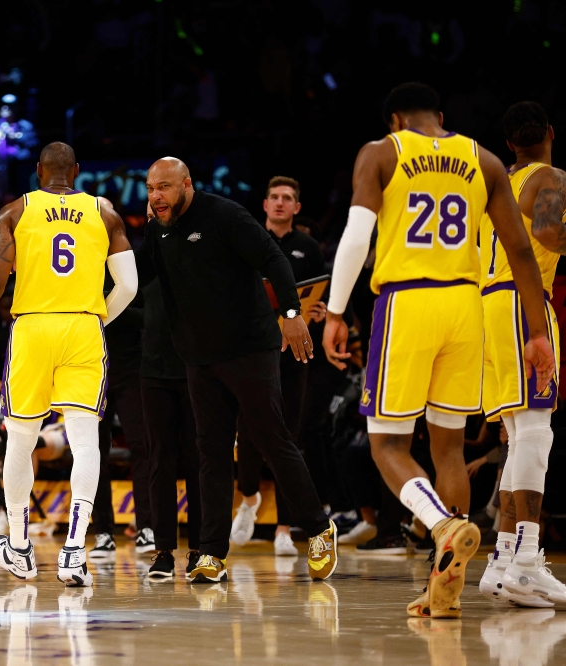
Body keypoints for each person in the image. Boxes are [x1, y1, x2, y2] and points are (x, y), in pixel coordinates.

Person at [323, 83, 555, 618]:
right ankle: (442, 584)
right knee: (448, 448)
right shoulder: (484, 158)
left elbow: (357, 239)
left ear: (396, 120)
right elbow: (520, 248)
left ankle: (443, 524)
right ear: (442, 118)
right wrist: (537, 331)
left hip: (408, 301)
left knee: (387, 444)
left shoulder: (383, 151)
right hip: (465, 306)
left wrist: (335, 312)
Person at [137, 157, 337, 584]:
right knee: (210, 453)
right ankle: (210, 553)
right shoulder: (158, 229)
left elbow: (272, 258)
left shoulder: (224, 214)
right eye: (151, 188)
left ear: (187, 185)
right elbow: (137, 274)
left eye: (165, 188)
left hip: (248, 349)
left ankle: (320, 529)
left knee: (272, 440)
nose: (156, 197)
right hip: (199, 357)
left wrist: (290, 312)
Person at [0, 142, 138, 587]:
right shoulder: (105, 212)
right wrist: (94, 317)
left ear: (38, 172)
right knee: (86, 438)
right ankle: (74, 551)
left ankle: (18, 546)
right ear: (76, 171)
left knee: (20, 436)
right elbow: (128, 285)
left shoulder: (15, 211)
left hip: (33, 327)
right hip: (82, 328)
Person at [477, 101, 566, 607]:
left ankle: (504, 560)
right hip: (521, 300)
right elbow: (549, 233)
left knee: (517, 435)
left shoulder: (495, 184)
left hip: (484, 306)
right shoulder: (550, 175)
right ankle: (528, 562)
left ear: (508, 144)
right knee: (536, 428)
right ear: (550, 133)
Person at [233, 176, 327, 556]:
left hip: (294, 355)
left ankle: (285, 529)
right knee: (249, 430)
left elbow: (321, 293)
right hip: (254, 349)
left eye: (288, 197)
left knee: (290, 437)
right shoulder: (250, 240)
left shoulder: (308, 247)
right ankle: (249, 498)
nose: (281, 203)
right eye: (274, 197)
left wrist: (320, 311)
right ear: (265, 203)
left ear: (297, 207)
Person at [89, 269, 153, 560]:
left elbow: (148, 318)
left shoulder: (131, 271)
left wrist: (108, 305)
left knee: (143, 448)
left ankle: (146, 527)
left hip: (131, 369)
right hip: (90, 371)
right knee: (93, 453)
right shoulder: (79, 267)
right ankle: (103, 531)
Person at [142, 276, 202, 581]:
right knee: (160, 460)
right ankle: (163, 550)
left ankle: (200, 550)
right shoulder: (146, 255)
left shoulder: (197, 246)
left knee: (198, 460)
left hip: (197, 367)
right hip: (153, 370)